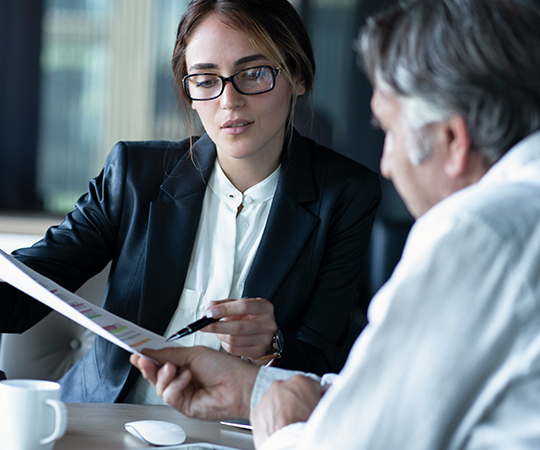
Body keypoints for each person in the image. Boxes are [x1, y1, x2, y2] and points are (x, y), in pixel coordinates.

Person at [131, 0, 540, 448]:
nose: (386, 164)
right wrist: (254, 392)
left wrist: (283, 431)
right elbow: (397, 402)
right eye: (207, 79)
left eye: (389, 131)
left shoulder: (477, 235)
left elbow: (364, 441)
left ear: (451, 140)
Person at [0, 0, 380, 403]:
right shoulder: (133, 174)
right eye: (205, 79)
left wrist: (273, 344)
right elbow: (24, 292)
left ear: (298, 76)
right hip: (106, 422)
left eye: (253, 74)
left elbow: (325, 361)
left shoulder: (345, 194)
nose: (229, 101)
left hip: (240, 431)